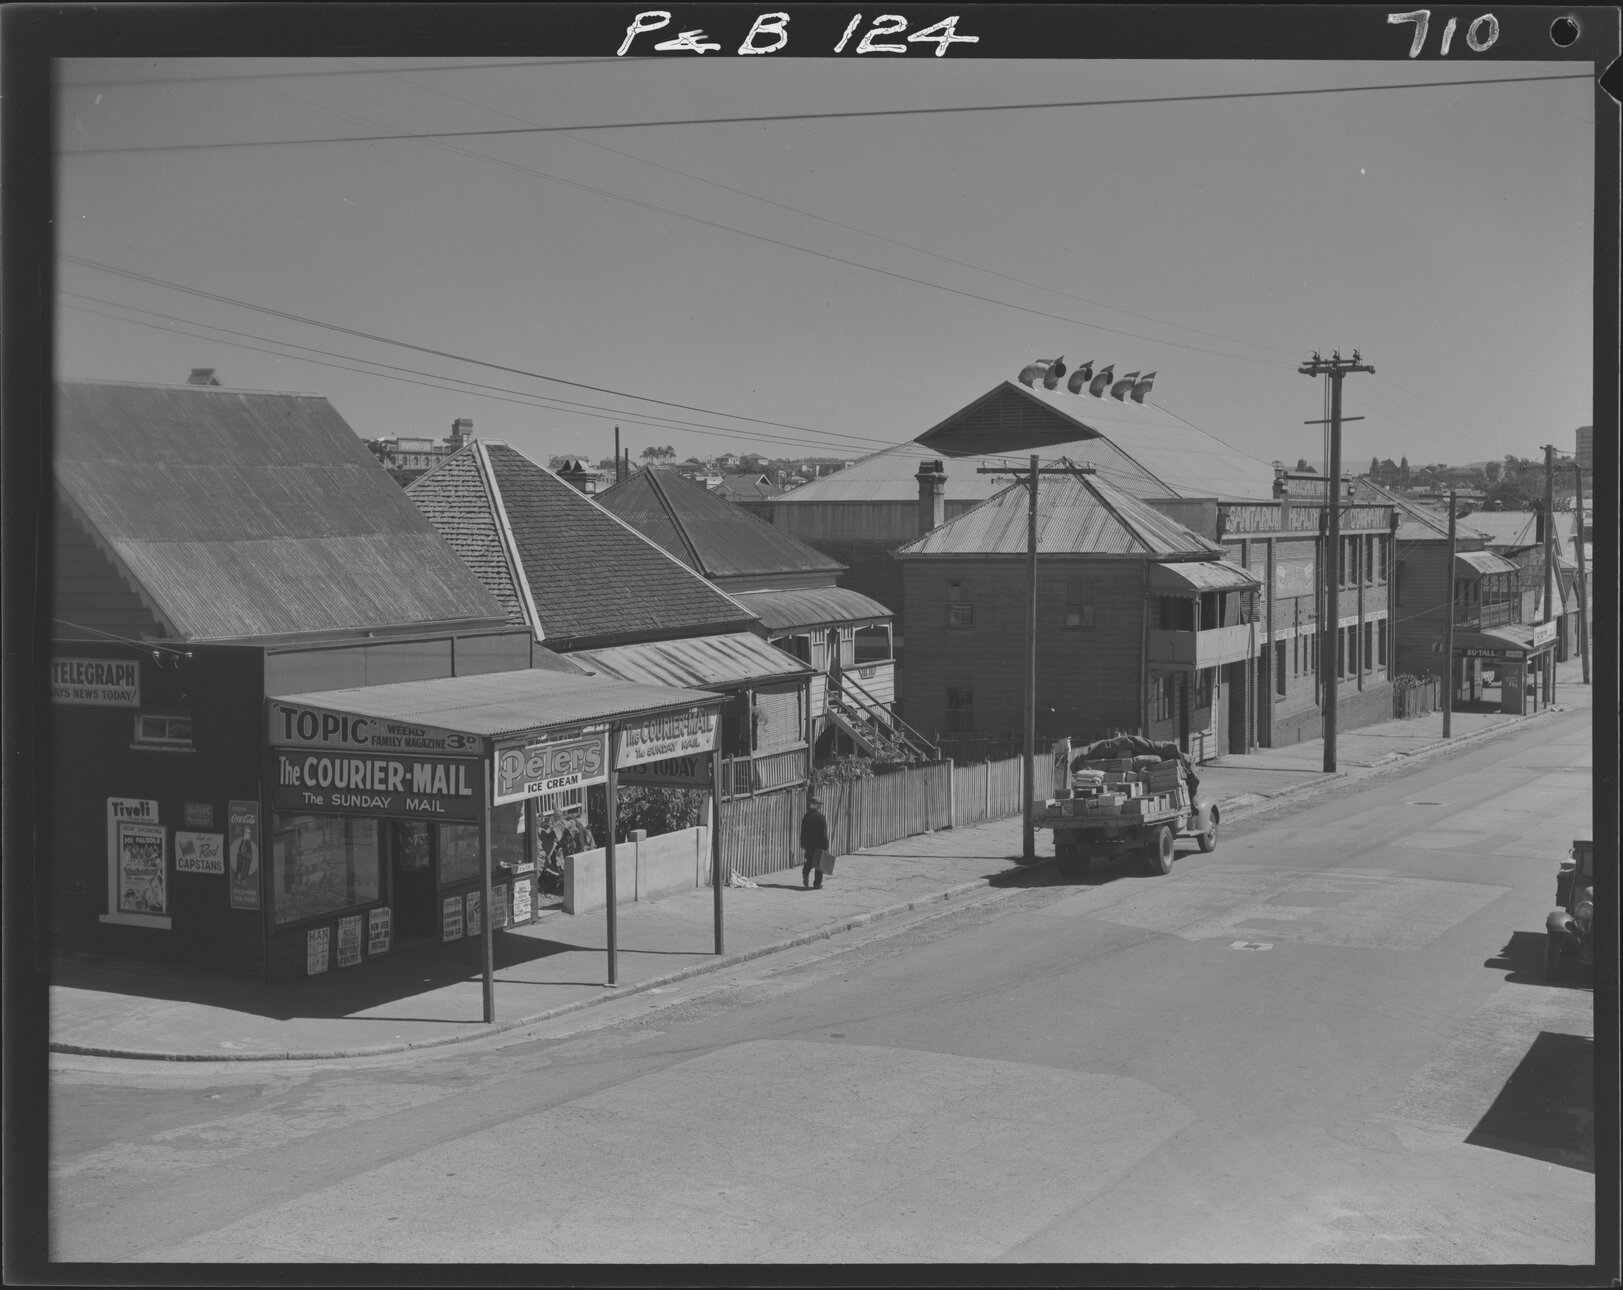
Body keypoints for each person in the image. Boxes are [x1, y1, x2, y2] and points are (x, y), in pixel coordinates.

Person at [800, 795, 830, 890]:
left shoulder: (806, 817)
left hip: (809, 844)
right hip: (819, 844)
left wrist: (803, 842)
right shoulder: (821, 818)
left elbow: (803, 831)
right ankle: (817, 884)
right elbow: (823, 834)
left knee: (809, 860)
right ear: (818, 806)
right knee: (819, 865)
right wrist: (826, 845)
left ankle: (805, 872)